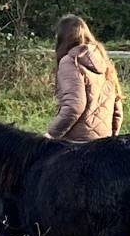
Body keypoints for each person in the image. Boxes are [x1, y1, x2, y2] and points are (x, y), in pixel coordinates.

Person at [45, 14, 123, 142]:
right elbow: (117, 108)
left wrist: (51, 135)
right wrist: (112, 138)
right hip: (104, 143)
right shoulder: (103, 59)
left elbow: (74, 106)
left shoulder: (70, 62)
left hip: (77, 145)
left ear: (61, 38)